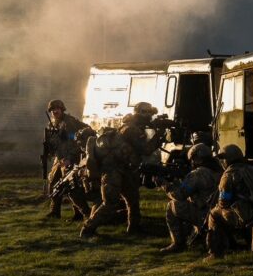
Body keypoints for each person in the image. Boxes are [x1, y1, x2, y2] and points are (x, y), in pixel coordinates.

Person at [79, 102, 163, 237]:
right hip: (113, 170)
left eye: (150, 113)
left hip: (126, 169)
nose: (148, 115)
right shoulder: (131, 129)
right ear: (137, 112)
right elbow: (146, 149)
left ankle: (134, 228)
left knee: (133, 200)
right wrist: (159, 136)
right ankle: (88, 228)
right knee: (110, 203)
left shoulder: (133, 127)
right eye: (144, 112)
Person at [205, 144, 253, 260]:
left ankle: (215, 252)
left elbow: (223, 202)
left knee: (214, 214)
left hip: (249, 214)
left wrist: (218, 204)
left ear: (228, 159)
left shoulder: (229, 174)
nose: (222, 162)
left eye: (223, 158)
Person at [155, 143, 223, 253]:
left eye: (192, 159)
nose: (191, 163)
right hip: (220, 213)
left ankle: (177, 243)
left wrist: (165, 185)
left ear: (197, 158)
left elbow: (179, 195)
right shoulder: (221, 170)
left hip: (205, 215)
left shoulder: (197, 174)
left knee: (173, 205)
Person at [43, 99, 91, 220]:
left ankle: (82, 214)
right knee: (54, 183)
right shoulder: (52, 124)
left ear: (62, 109)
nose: (55, 111)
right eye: (52, 110)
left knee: (71, 187)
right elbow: (53, 142)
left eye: (57, 109)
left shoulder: (69, 123)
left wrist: (70, 158)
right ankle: (55, 212)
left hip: (71, 158)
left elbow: (75, 142)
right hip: (60, 158)